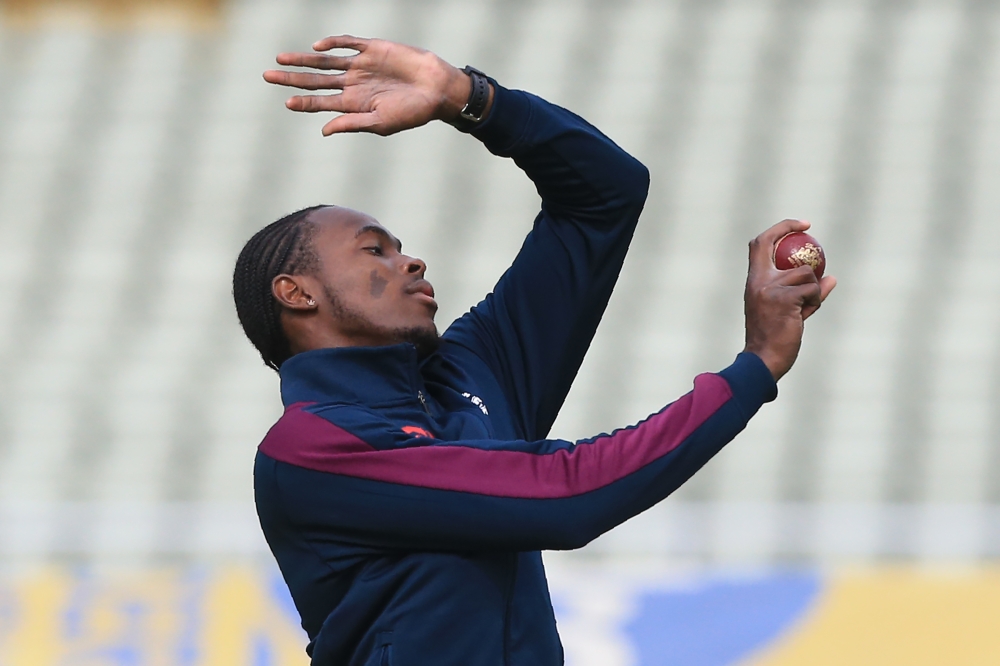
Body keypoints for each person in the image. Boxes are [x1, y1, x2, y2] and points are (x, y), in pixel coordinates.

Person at [233, 35, 835, 666]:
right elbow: (566, 498)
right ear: (296, 293)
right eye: (374, 250)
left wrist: (468, 98)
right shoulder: (312, 450)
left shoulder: (471, 370)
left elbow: (606, 194)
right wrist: (754, 368)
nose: (410, 259)